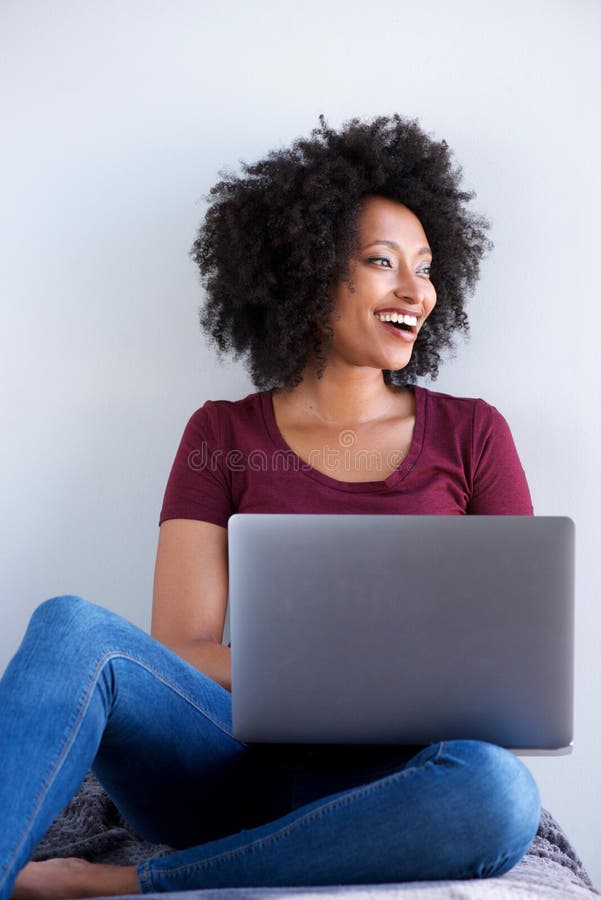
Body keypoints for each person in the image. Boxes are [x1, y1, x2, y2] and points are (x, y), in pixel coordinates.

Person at [2, 114, 541, 899]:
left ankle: (126, 885)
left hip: (395, 783)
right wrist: (332, 674)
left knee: (498, 792)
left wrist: (387, 690)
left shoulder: (474, 435)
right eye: (382, 262)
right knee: (72, 628)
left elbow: (511, 671)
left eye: (425, 268)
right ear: (312, 269)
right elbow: (182, 645)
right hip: (224, 768)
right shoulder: (222, 432)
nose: (414, 290)